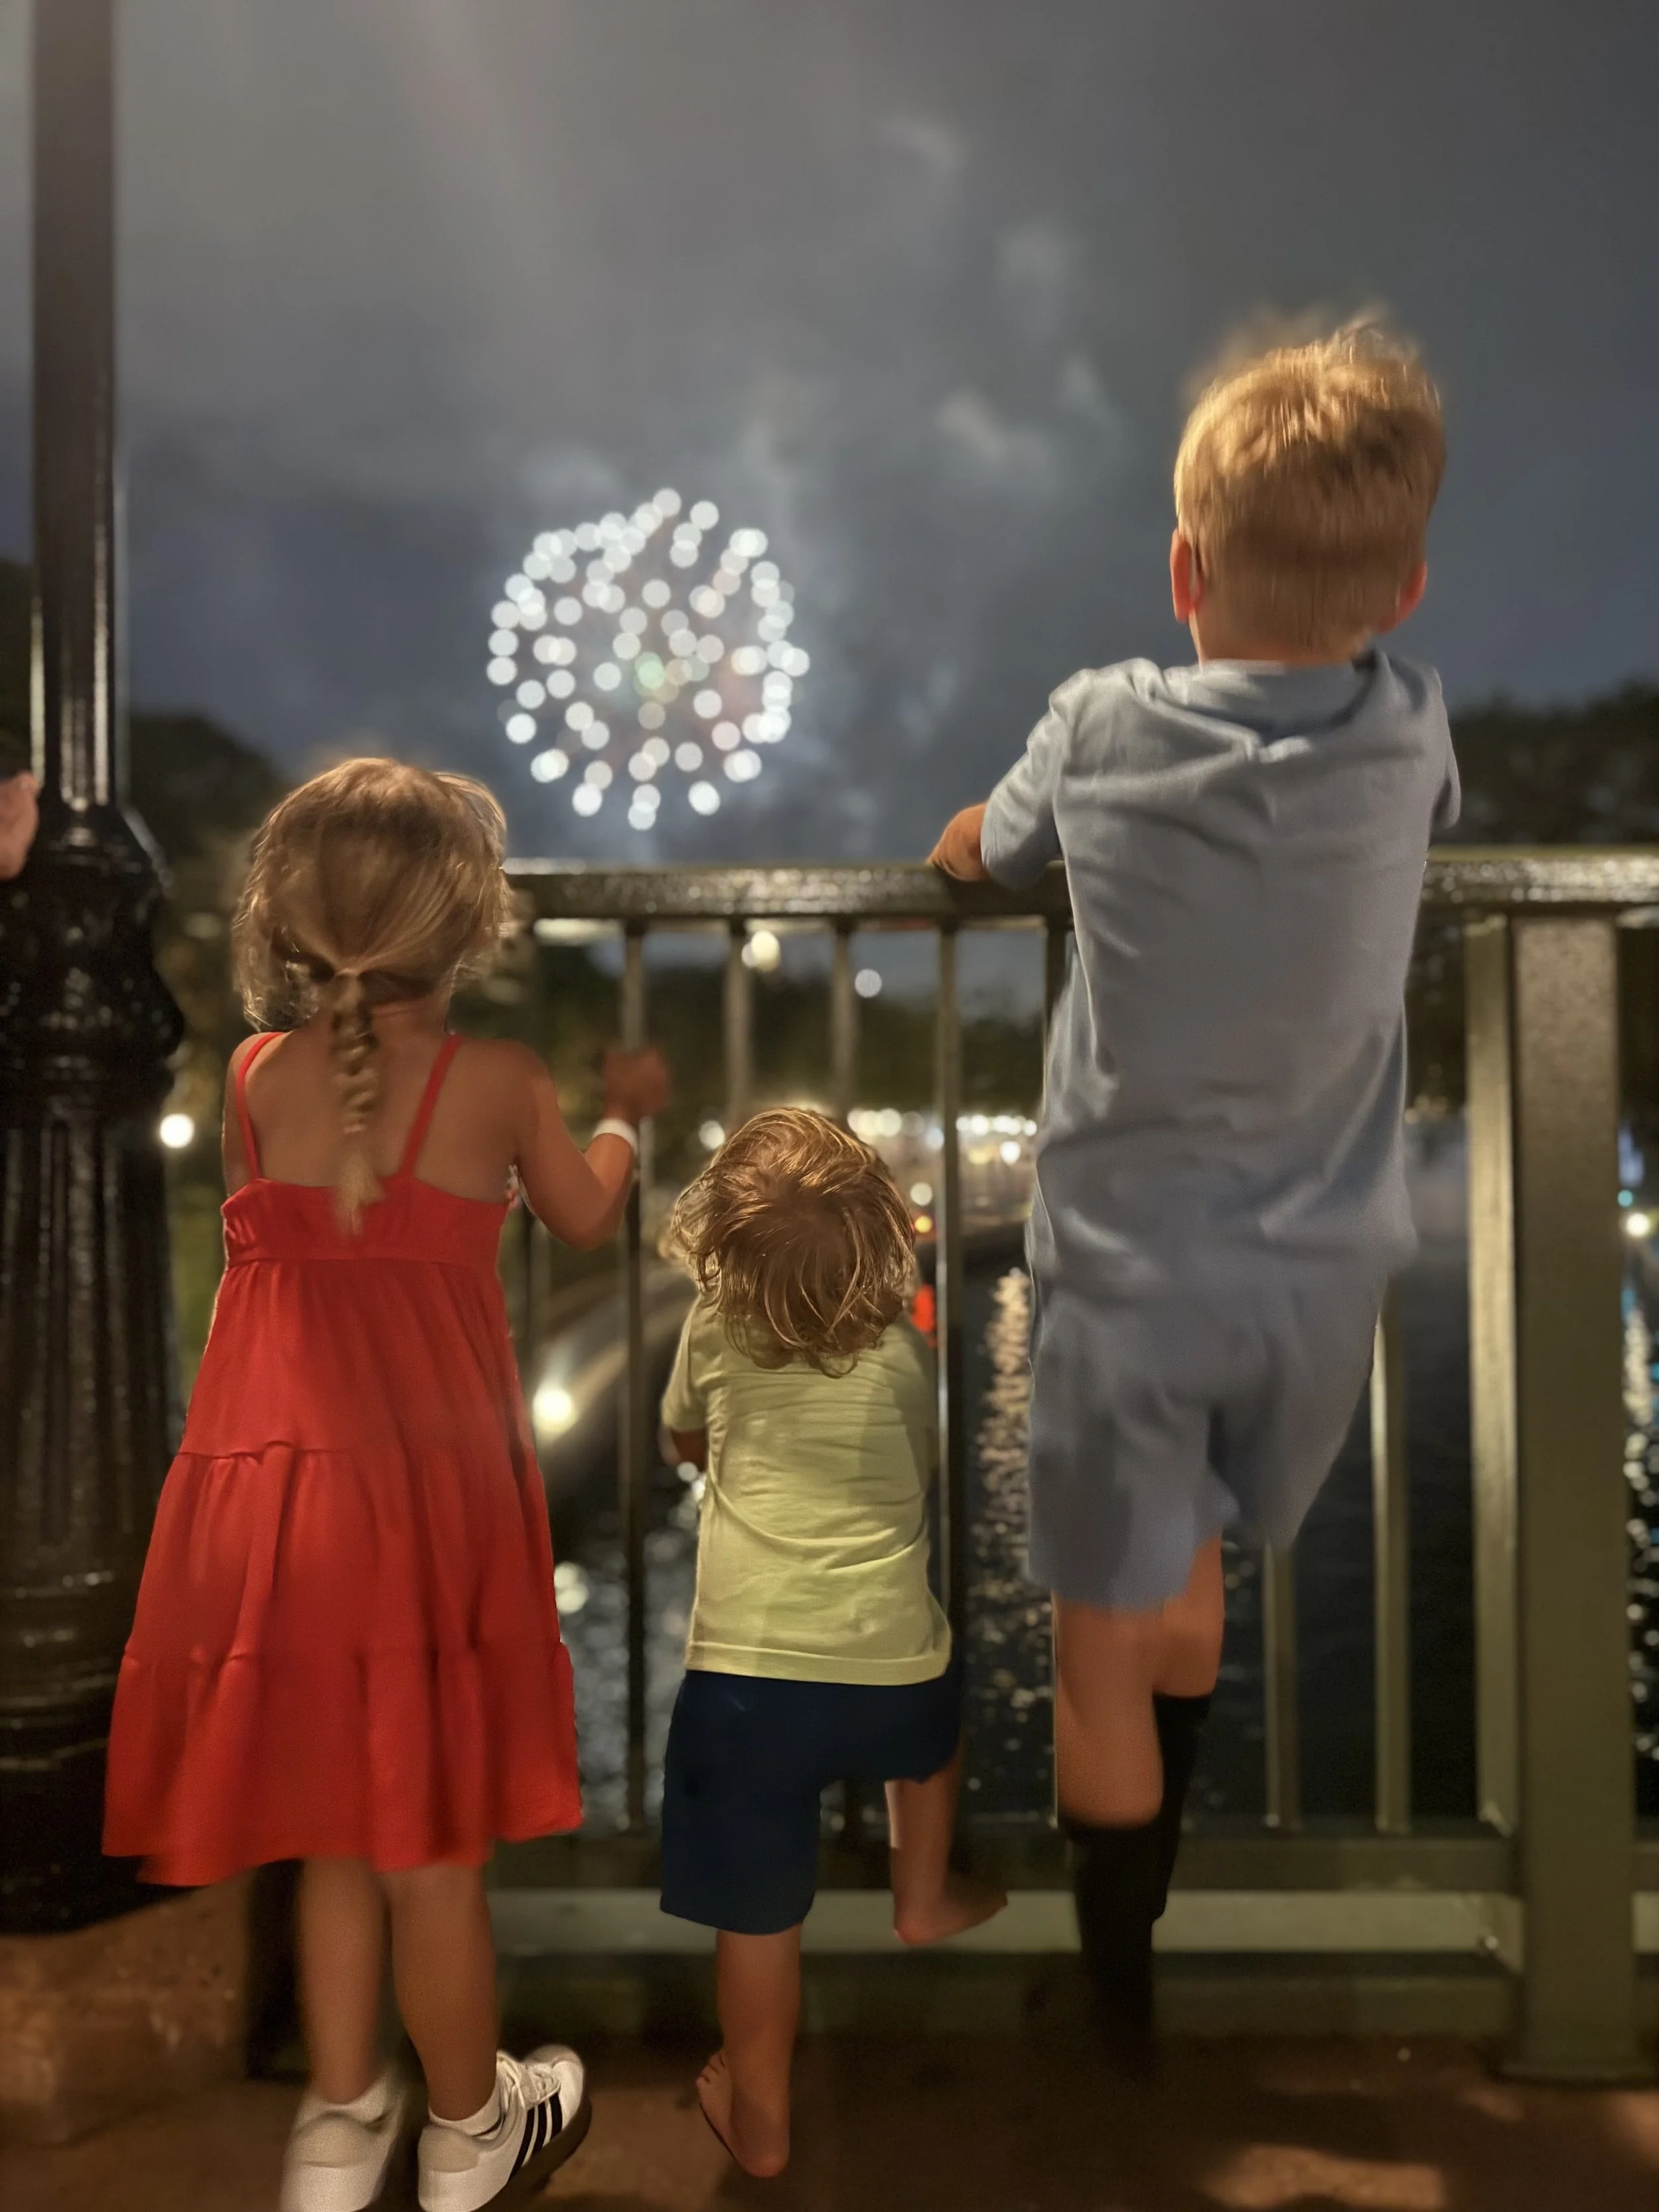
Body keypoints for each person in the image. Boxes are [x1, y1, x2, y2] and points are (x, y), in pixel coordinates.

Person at [930, 321, 1456, 2066]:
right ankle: (1140, 1932)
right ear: (1404, 588)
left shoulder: (1095, 722)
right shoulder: (1409, 731)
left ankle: (1112, 1993)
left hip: (1125, 1273)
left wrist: (965, 838)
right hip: (1313, 1286)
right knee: (1196, 1568)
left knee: (1099, 1633)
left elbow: (987, 847)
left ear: (1181, 570)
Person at [104, 759, 669, 2212]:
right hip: (425, 1514)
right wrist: (628, 1119)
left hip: (276, 1513)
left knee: (334, 1833)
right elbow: (587, 1215)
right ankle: (472, 2128)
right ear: (468, 926)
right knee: (431, 1847)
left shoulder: (250, 1079)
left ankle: (339, 2119)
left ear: (289, 926)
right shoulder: (500, 1083)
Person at [657, 1108, 1006, 2176]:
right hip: (891, 1677)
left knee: (758, 1924)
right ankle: (923, 1895)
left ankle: (761, 2116)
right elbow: (921, 1474)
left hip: (744, 1690)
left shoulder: (713, 1330)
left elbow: (681, 1438)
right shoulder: (903, 1354)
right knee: (935, 1738)